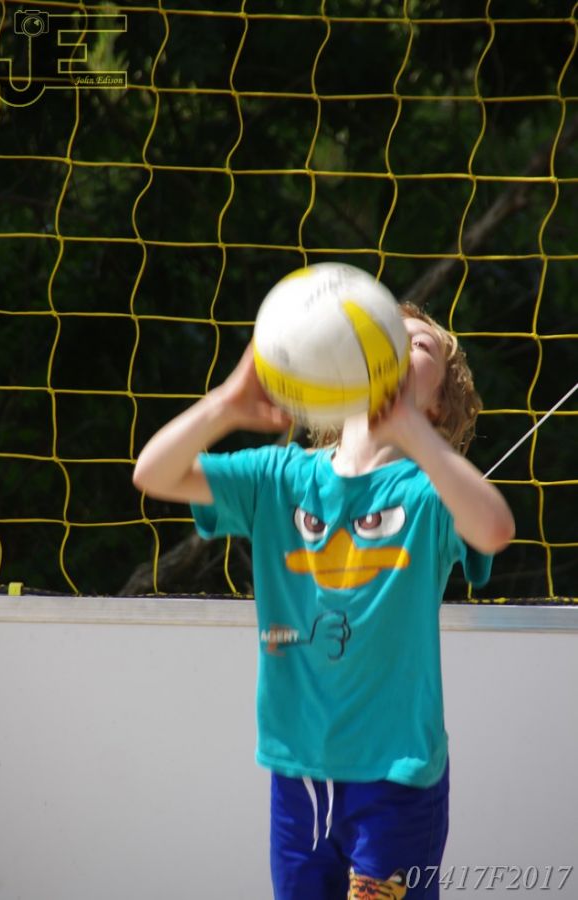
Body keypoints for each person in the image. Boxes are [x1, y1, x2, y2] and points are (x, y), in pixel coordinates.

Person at [133, 299, 515, 900]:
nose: (395, 348)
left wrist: (414, 434)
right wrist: (227, 403)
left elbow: (494, 529)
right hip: (299, 774)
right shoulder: (279, 477)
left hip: (396, 779)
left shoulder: (428, 492)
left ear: (439, 404)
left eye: (417, 345)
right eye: (382, 339)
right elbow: (153, 473)